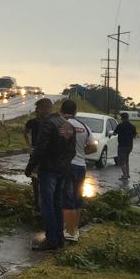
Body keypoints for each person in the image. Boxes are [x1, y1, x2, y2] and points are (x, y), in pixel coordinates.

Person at [24, 97, 72, 250]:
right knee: (57, 204)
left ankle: (51, 239)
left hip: (48, 171)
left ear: (44, 109)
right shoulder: (66, 124)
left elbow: (40, 149)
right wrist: (64, 164)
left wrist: (30, 168)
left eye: (38, 109)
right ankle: (59, 238)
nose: (36, 112)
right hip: (61, 170)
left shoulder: (48, 124)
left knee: (47, 205)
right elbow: (71, 150)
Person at [60, 100, 93, 243]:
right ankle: (76, 229)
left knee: (67, 199)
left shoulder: (63, 125)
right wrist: (81, 152)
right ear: (75, 112)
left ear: (62, 111)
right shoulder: (84, 127)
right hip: (81, 166)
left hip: (69, 165)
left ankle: (70, 232)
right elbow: (93, 147)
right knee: (77, 198)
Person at [110, 112, 137, 180]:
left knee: (121, 162)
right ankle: (127, 174)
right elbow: (134, 136)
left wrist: (110, 134)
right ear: (127, 118)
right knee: (126, 161)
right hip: (129, 146)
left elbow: (115, 133)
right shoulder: (132, 126)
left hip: (122, 146)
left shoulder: (120, 126)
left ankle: (125, 175)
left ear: (122, 118)